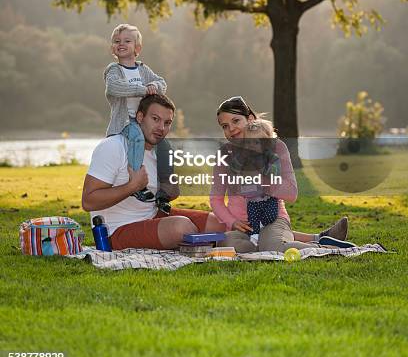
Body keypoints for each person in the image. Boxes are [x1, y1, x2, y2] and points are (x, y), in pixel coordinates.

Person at [82, 94, 225, 250]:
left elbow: (163, 197)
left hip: (152, 216)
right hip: (117, 230)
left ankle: (206, 243)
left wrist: (170, 190)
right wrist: (132, 186)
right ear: (140, 117)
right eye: (155, 119)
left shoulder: (160, 152)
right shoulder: (114, 146)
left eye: (167, 123)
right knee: (181, 228)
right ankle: (207, 244)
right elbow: (89, 201)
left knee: (217, 223)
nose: (161, 128)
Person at [211, 96, 351, 253]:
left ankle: (329, 248)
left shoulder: (276, 147)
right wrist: (232, 222)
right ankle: (303, 240)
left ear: (250, 119)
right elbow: (215, 199)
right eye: (225, 126)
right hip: (242, 227)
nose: (231, 129)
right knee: (228, 245)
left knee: (273, 247)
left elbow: (291, 193)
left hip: (272, 219)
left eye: (236, 121)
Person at [105, 23, 171, 204]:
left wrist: (154, 86)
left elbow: (161, 83)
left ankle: (165, 191)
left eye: (127, 40)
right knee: (137, 137)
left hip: (143, 121)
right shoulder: (114, 71)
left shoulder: (142, 69)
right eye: (117, 41)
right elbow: (114, 88)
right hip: (125, 123)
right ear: (113, 48)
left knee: (165, 146)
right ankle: (136, 184)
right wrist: (142, 89)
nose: (121, 43)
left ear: (137, 48)